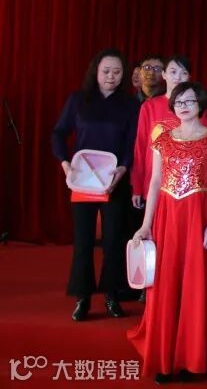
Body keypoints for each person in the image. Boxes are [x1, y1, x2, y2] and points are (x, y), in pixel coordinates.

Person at [128, 82, 207, 383]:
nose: (184, 106)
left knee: (194, 284)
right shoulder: (163, 139)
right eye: (179, 102)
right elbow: (155, 182)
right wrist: (146, 224)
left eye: (189, 101)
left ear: (200, 104)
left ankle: (190, 358)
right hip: (167, 219)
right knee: (165, 282)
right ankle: (163, 357)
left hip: (197, 218)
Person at [52, 49, 139, 321]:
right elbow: (58, 133)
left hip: (115, 180)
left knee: (114, 240)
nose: (111, 76)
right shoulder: (78, 100)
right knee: (83, 240)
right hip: (83, 180)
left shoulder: (130, 105)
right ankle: (83, 297)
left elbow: (133, 142)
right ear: (96, 72)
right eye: (106, 71)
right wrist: (66, 165)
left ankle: (112, 294)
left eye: (117, 72)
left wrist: (123, 169)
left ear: (124, 75)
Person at [132, 55, 207, 210]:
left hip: (188, 185)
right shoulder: (149, 106)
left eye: (183, 73)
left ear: (189, 77)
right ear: (164, 74)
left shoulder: (198, 107)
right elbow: (140, 147)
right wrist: (137, 186)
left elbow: (205, 148)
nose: (178, 77)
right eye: (173, 72)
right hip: (153, 183)